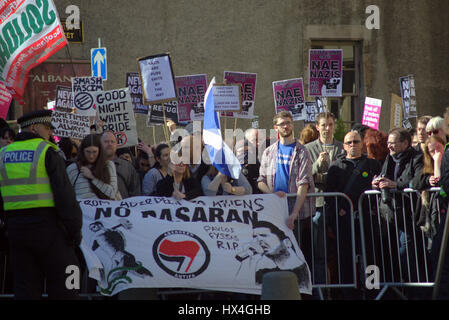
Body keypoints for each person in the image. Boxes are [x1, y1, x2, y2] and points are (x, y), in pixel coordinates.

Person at [0, 110, 82, 299]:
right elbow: (64, 195)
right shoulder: (46, 151)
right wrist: (74, 231)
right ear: (34, 128)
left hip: (16, 231)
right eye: (46, 128)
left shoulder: (3, 154)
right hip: (48, 229)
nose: (50, 133)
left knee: (25, 287)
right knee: (70, 278)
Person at [257, 110, 315, 284]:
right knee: (277, 254)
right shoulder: (269, 152)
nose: (287, 126)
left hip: (297, 214)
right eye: (283, 123)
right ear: (276, 127)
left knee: (298, 254)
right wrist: (272, 194)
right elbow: (260, 181)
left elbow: (303, 184)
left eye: (289, 122)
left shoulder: (301, 151)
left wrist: (294, 214)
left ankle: (300, 288)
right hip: (275, 212)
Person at [324, 130, 381, 298]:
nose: (353, 145)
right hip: (344, 220)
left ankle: (372, 290)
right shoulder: (336, 167)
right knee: (345, 256)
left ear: (362, 144)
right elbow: (329, 193)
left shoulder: (372, 164)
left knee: (370, 255)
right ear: (344, 146)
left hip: (367, 218)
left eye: (356, 141)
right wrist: (339, 209)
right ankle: (348, 292)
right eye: (349, 142)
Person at [371, 127, 425, 288]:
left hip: (409, 215)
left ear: (405, 143)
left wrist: (396, 185)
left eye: (393, 143)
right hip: (390, 215)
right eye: (388, 143)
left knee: (406, 254)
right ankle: (398, 290)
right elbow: (384, 178)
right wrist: (376, 184)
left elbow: (417, 181)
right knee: (392, 255)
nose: (389, 147)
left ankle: (417, 292)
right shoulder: (389, 158)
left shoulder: (417, 158)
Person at [304, 112, 345, 289]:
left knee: (342, 248)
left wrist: (325, 176)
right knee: (318, 251)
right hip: (317, 204)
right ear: (317, 127)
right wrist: (317, 165)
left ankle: (343, 288)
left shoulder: (342, 147)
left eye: (330, 124)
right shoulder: (308, 148)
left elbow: (342, 174)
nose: (327, 128)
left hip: (338, 204)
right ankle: (320, 289)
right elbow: (306, 175)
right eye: (323, 125)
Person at [234, 220, 311, 290]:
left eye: (263, 235)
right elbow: (240, 285)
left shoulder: (303, 273)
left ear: (287, 242)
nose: (258, 240)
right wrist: (251, 259)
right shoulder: (265, 274)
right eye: (255, 237)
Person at [66, 134, 120, 200]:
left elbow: (112, 194)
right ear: (83, 151)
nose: (91, 156)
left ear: (100, 151)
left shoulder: (108, 165)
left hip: (104, 208)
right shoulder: (72, 168)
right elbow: (66, 194)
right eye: (88, 152)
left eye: (94, 152)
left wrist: (92, 177)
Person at [101, 131, 141, 198]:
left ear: (116, 145)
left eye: (112, 142)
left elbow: (135, 193)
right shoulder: (93, 166)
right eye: (106, 142)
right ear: (99, 144)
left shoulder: (127, 167)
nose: (109, 144)